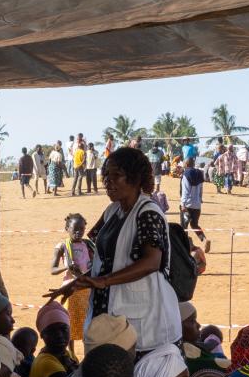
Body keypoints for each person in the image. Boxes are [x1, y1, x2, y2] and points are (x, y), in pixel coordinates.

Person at [51, 147, 180, 352]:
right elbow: (105, 261)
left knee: (135, 375)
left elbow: (151, 262)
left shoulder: (148, 213)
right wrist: (80, 282)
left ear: (136, 178)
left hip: (144, 317)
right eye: (106, 176)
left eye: (116, 176)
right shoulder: (112, 211)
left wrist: (103, 281)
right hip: (109, 308)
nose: (108, 182)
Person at [47, 213, 94, 343]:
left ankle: (86, 345)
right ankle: (71, 350)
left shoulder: (88, 245)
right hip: (70, 289)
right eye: (75, 230)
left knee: (87, 320)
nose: (79, 233)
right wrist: (67, 267)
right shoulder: (62, 246)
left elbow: (95, 262)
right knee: (70, 320)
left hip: (86, 287)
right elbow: (53, 270)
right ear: (67, 228)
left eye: (82, 229)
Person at [29, 312, 78, 377]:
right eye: (52, 331)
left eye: (64, 329)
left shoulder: (68, 354)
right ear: (42, 335)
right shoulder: (46, 362)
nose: (59, 335)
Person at [179, 157, 206, 235]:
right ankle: (204, 239)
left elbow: (185, 191)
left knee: (184, 227)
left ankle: (186, 245)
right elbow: (201, 189)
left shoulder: (186, 174)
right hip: (197, 205)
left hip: (187, 205)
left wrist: (183, 204)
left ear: (186, 164)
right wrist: (200, 199)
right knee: (194, 225)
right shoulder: (199, 173)